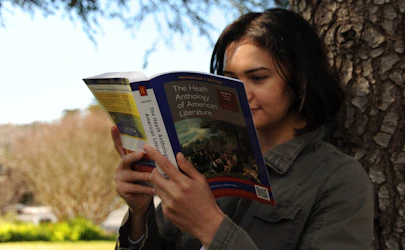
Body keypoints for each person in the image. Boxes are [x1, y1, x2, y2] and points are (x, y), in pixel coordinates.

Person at [112, 8, 373, 250]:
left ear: (301, 79)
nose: (239, 94)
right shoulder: (202, 159)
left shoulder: (337, 179)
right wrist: (139, 212)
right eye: (230, 81)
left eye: (258, 78)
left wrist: (212, 228)